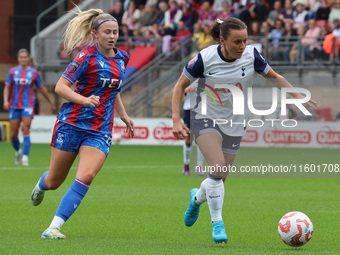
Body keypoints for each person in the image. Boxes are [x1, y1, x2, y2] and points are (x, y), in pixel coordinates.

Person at [172, 17, 317, 244]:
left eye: (245, 41)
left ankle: (196, 198)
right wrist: (175, 120)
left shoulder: (252, 56)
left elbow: (274, 76)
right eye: (237, 42)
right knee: (217, 168)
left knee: (219, 178)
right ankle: (217, 223)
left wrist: (297, 94)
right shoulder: (205, 58)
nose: (242, 46)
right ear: (222, 40)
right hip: (205, 117)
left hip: (236, 121)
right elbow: (179, 85)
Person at [30, 7, 134, 239]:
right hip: (72, 124)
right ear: (95, 34)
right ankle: (42, 184)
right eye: (107, 32)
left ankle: (53, 227)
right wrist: (84, 100)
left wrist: (123, 114)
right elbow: (61, 87)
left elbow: (112, 88)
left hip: (99, 130)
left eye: (115, 32)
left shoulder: (122, 58)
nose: (112, 36)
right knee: (55, 180)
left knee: (86, 175)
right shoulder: (85, 57)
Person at [3, 48, 56, 166]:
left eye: (25, 57)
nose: (23, 59)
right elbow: (7, 87)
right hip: (14, 105)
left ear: (28, 59)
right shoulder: (12, 71)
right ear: (18, 59)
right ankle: (18, 151)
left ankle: (25, 158)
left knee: (26, 129)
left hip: (28, 105)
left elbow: (41, 88)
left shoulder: (33, 72)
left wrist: (50, 102)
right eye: (21, 57)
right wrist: (6, 100)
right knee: (13, 134)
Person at [182, 76, 205, 176]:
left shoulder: (206, 77)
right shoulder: (188, 76)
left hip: (201, 111)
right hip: (188, 110)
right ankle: (186, 164)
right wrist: (187, 90)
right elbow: (179, 90)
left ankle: (199, 165)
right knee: (189, 138)